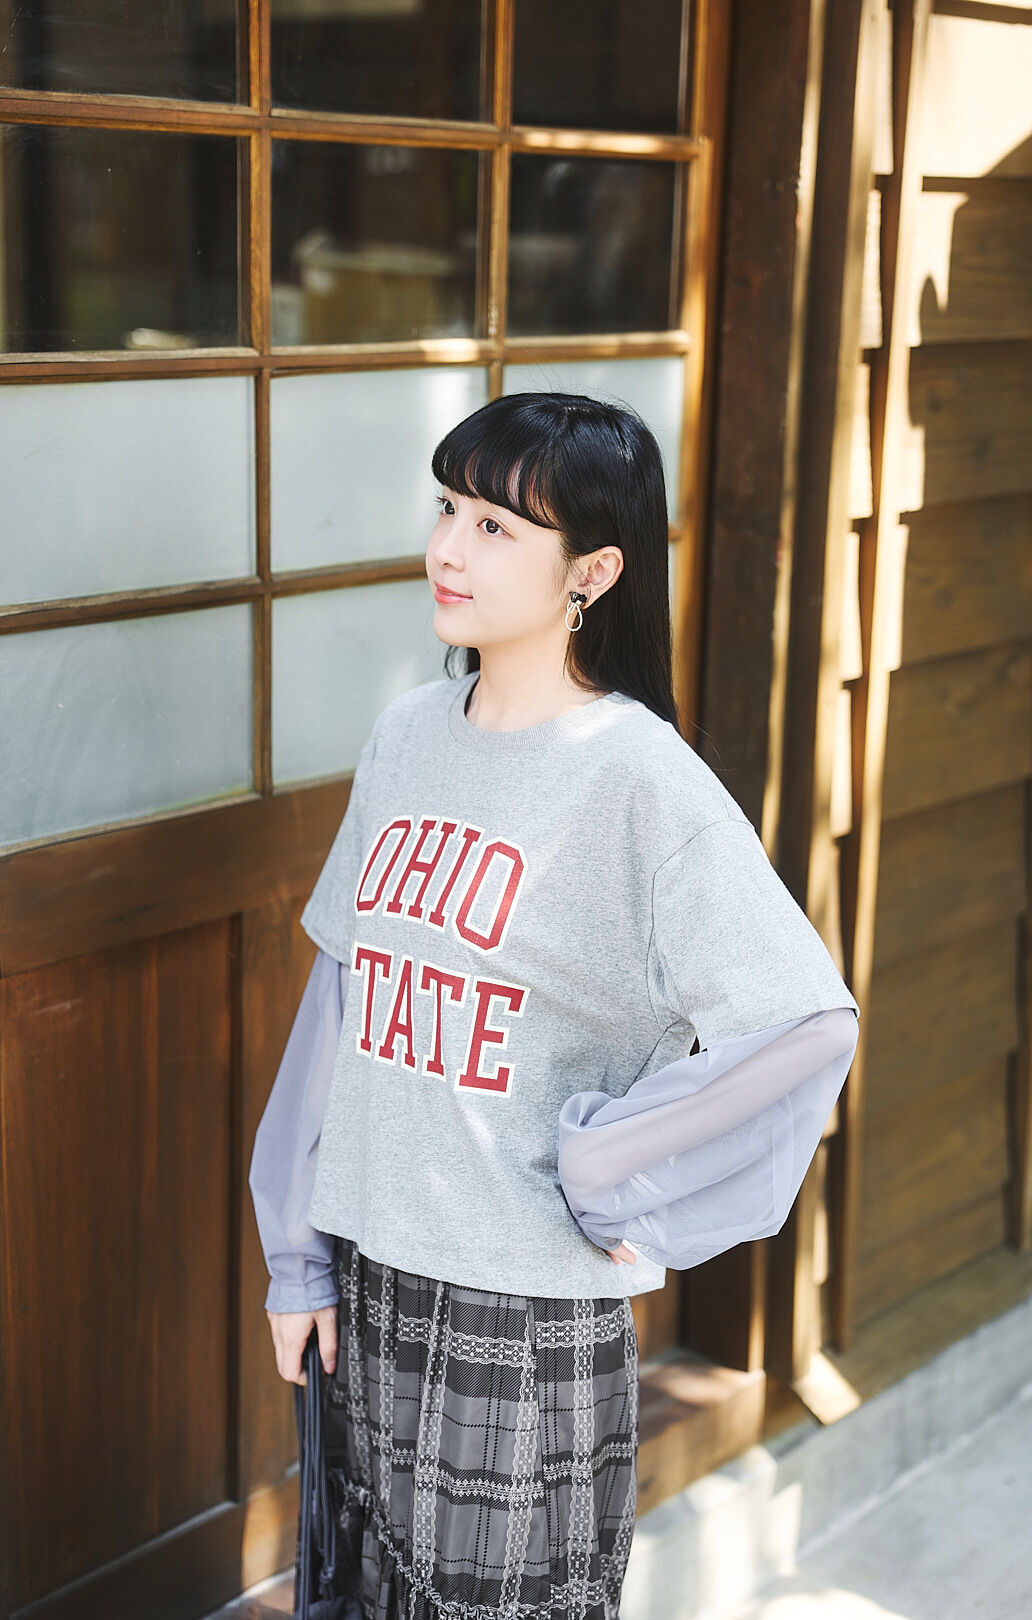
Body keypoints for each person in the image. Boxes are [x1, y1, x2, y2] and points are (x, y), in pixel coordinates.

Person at [249, 391, 860, 1620]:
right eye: (448, 509)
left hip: (518, 1311)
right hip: (369, 1272)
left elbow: (808, 1024)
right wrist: (294, 1257)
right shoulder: (409, 734)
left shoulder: (640, 780)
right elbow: (344, 994)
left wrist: (611, 1165)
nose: (448, 548)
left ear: (594, 571)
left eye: (495, 528)